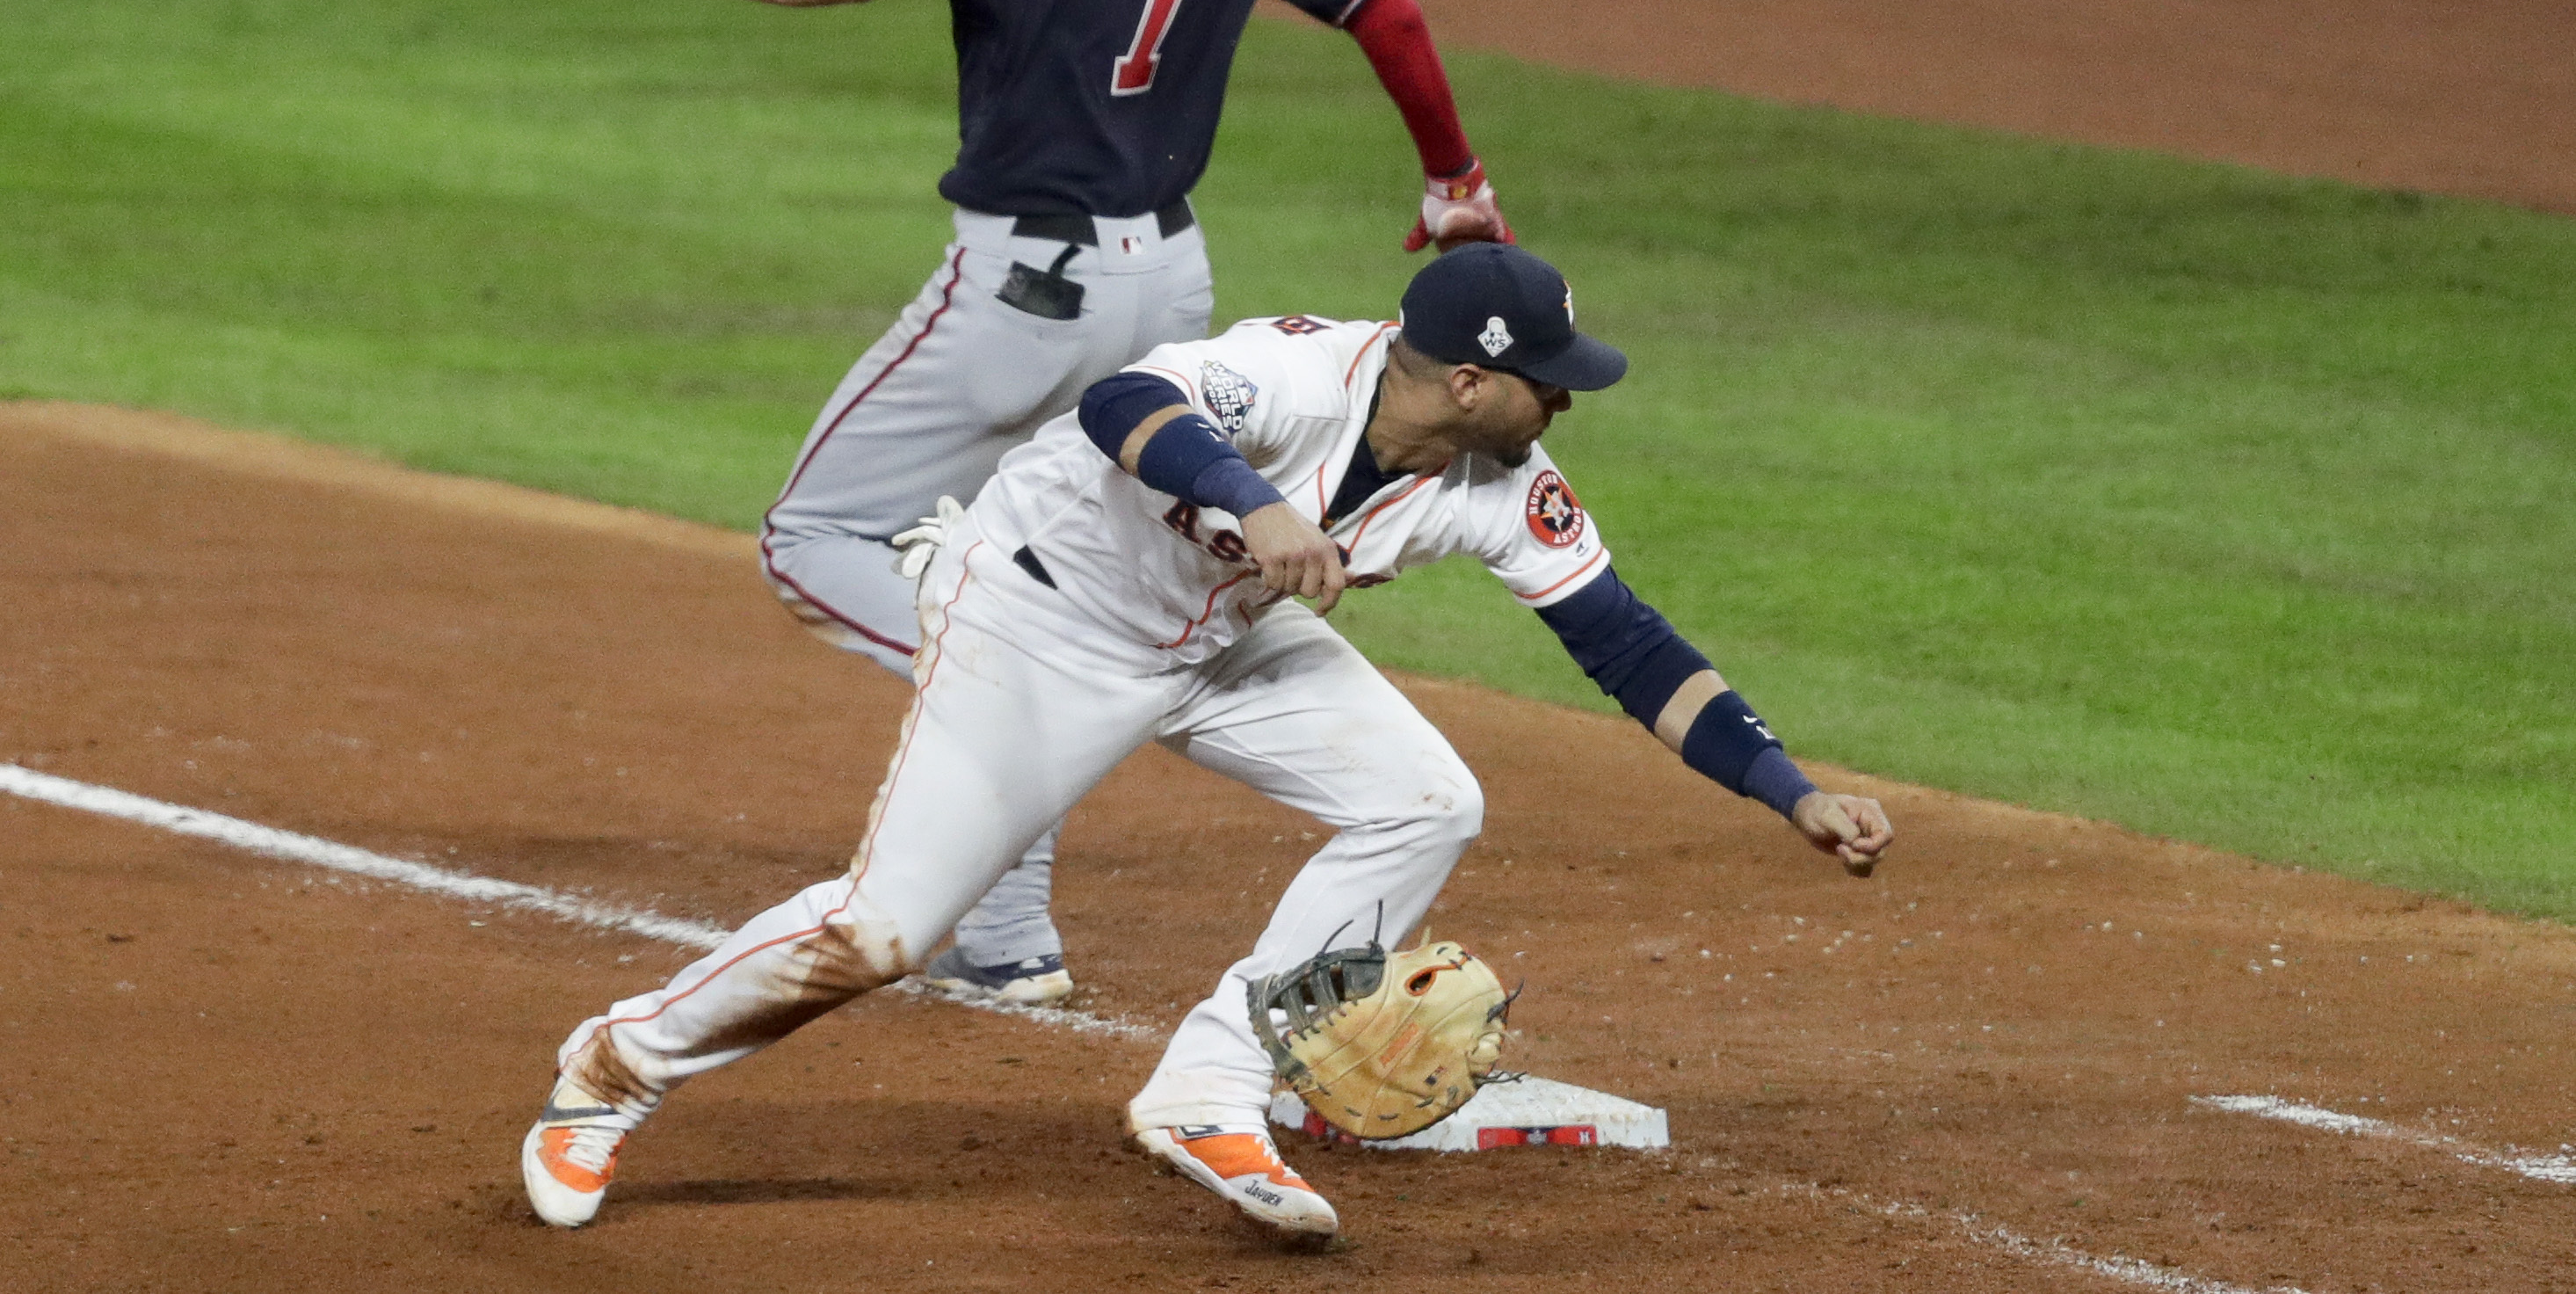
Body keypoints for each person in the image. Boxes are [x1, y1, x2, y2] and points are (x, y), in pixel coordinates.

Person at [519, 243, 1895, 1240]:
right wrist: (1258, 505)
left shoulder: (1502, 481)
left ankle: (1211, 1084)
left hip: (1217, 636)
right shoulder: (1295, 371)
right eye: (1550, 381)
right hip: (1039, 617)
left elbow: (1627, 642)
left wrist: (1791, 789)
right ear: (1474, 381)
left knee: (1426, 797)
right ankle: (612, 1070)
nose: (1569, 402)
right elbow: (1125, 403)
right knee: (886, 929)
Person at [542, 0, 1513, 1009]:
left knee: (818, 538)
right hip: (1173, 290)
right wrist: (1453, 178)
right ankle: (1011, 942)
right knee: (1039, 543)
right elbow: (1386, 5)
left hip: (1023, 290)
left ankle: (1033, 684)